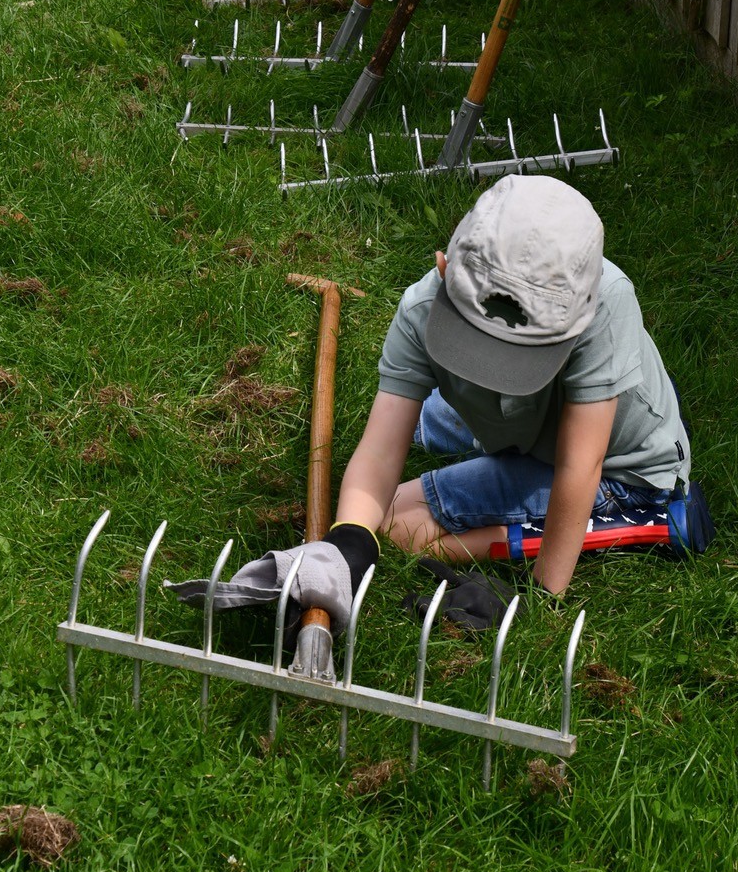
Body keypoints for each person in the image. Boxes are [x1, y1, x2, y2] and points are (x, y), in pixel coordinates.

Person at [173, 175, 707, 634]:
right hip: (520, 423)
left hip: (618, 464)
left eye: (513, 356)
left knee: (404, 529)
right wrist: (347, 548)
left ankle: (642, 518)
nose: (494, 366)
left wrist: (543, 598)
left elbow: (579, 464)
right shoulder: (420, 309)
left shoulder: (607, 306)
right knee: (374, 514)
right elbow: (381, 452)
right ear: (443, 268)